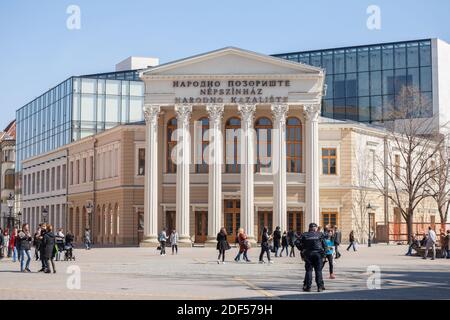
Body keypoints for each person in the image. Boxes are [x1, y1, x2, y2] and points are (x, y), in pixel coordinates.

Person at [298, 223, 327, 292]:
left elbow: (296, 242)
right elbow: (325, 245)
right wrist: (324, 255)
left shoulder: (305, 234)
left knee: (309, 271)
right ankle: (319, 287)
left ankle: (308, 287)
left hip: (308, 254)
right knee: (318, 271)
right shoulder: (320, 234)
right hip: (318, 254)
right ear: (316, 228)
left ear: (309, 228)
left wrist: (302, 249)